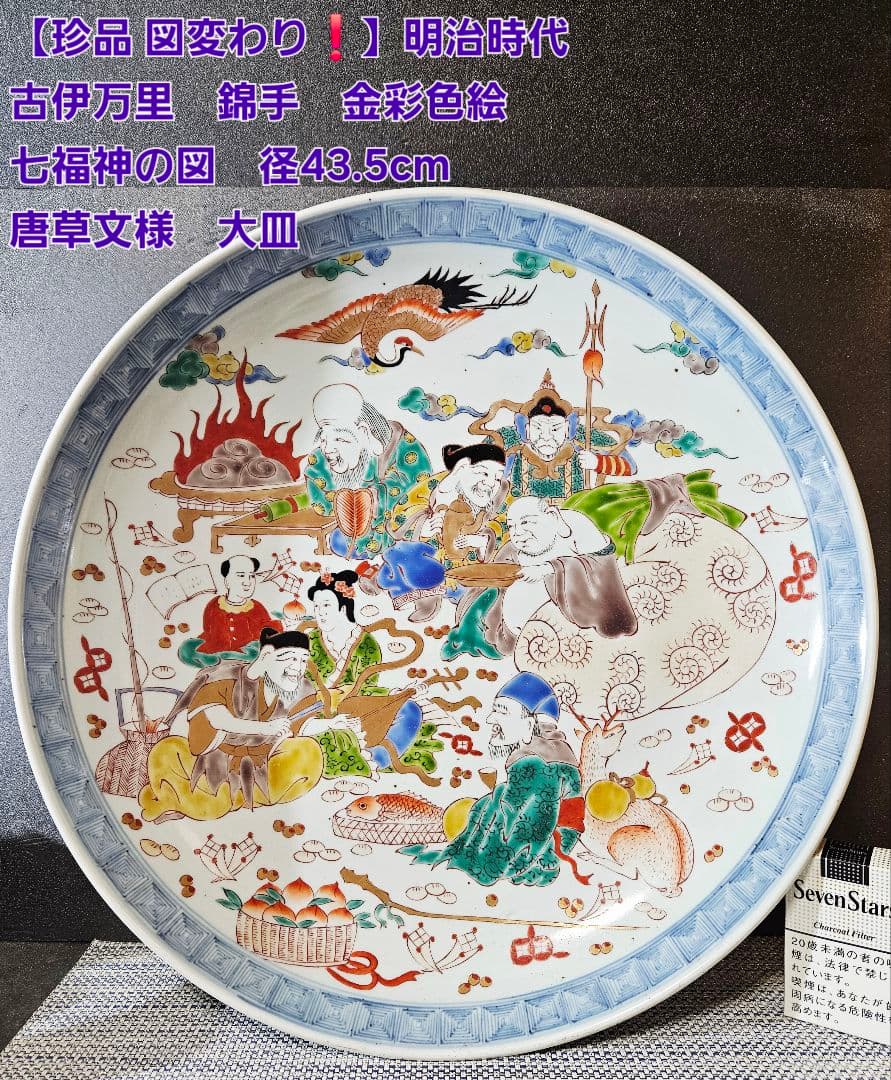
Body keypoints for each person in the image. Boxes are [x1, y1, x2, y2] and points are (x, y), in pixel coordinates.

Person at [401, 672, 585, 887]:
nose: (490, 719)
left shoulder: (538, 767)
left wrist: (471, 870)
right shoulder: (543, 759)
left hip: (543, 854)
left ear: (529, 725)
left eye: (502, 711)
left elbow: (526, 833)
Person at [139, 628, 324, 821]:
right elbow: (219, 720)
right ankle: (209, 798)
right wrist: (265, 728)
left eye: (303, 660)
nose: (298, 667)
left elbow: (303, 723)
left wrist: (331, 723)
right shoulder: (224, 677)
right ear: (267, 655)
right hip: (216, 761)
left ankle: (236, 798)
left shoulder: (297, 686)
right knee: (169, 752)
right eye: (292, 658)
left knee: (309, 751)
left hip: (264, 763)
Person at [444, 496, 637, 659]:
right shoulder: (519, 545)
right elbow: (499, 567)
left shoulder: (577, 527)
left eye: (525, 523)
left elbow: (599, 569)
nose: (518, 533)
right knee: (485, 599)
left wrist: (549, 568)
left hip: (565, 618)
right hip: (516, 631)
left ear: (551, 515)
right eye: (512, 526)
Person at [377, 441, 511, 622]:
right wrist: (423, 526)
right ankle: (422, 599)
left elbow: (508, 524)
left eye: (497, 477)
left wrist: (484, 540)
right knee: (404, 558)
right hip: (430, 558)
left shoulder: (501, 495)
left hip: (468, 566)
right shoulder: (439, 486)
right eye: (484, 473)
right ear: (462, 468)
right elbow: (402, 511)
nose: (489, 483)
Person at [303, 383, 431, 558]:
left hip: (394, 531)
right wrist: (345, 504)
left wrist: (374, 496)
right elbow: (319, 495)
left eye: (339, 439)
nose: (328, 449)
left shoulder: (403, 446)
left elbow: (417, 484)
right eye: (324, 439)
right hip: (348, 530)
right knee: (338, 540)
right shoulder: (321, 456)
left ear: (363, 432)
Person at [468, 370, 636, 500]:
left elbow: (630, 467)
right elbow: (472, 468)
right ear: (525, 429)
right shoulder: (508, 440)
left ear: (568, 428)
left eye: (555, 428)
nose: (546, 436)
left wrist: (597, 462)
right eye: (538, 428)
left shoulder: (583, 438)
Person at [194, 556, 281, 656]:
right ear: (227, 581)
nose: (248, 582)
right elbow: (207, 630)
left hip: (247, 658)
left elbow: (269, 633)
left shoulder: (256, 607)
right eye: (241, 575)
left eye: (252, 576)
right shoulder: (214, 605)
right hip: (216, 656)